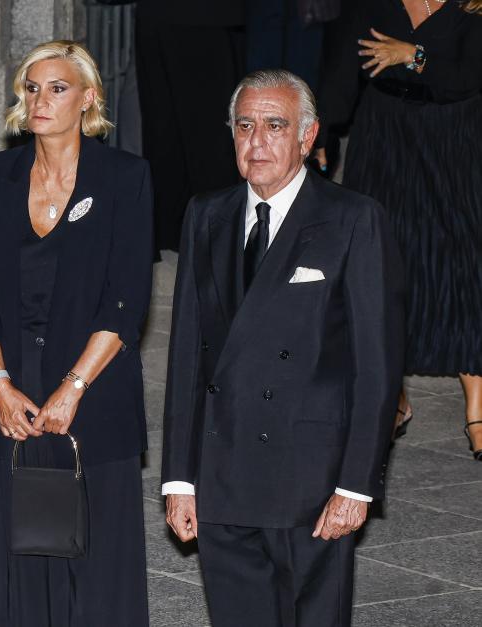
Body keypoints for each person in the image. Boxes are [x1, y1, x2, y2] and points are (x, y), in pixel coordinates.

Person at [161, 69, 405, 627]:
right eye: (244, 126)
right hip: (222, 472)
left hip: (311, 479)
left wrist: (356, 485)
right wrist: (179, 478)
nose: (256, 141)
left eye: (275, 125)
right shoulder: (207, 214)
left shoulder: (352, 218)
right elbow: (186, 359)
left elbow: (377, 366)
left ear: (308, 135)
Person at [0, 40, 153, 627]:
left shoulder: (124, 177)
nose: (41, 99)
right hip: (9, 394)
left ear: (88, 99)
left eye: (57, 87)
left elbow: (125, 302)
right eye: (32, 87)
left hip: (92, 391)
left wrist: (72, 388)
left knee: (92, 564)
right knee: (6, 560)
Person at [315, 0, 482, 459]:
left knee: (463, 263)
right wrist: (324, 128)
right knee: (384, 263)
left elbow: (470, 77)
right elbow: (344, 65)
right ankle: (394, 395)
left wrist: (415, 55)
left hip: (456, 139)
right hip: (383, 136)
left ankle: (477, 403)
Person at [135, 0, 245, 253]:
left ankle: (179, 235)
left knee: (167, 132)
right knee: (204, 140)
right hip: (202, 18)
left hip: (166, 16)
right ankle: (212, 244)